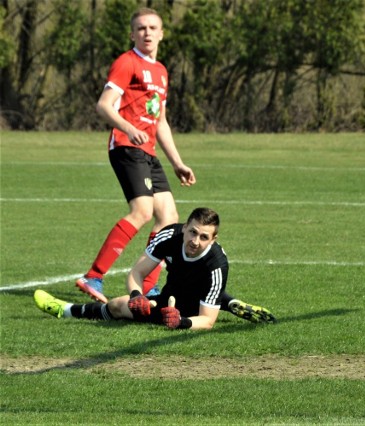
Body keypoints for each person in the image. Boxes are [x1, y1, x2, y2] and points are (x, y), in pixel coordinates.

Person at [76, 7, 195, 304]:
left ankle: (149, 286)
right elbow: (104, 106)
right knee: (142, 211)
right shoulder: (126, 63)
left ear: (162, 34)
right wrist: (128, 128)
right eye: (141, 28)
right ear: (132, 34)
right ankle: (94, 276)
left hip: (149, 152)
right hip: (127, 146)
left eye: (153, 28)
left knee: (169, 218)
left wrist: (177, 162)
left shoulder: (162, 71)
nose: (147, 33)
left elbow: (161, 122)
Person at [35, 207, 276, 329]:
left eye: (204, 237)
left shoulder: (217, 263)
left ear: (213, 239)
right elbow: (137, 273)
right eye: (192, 232)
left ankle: (223, 300)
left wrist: (180, 322)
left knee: (118, 306)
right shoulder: (169, 235)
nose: (195, 240)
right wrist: (137, 296)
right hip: (172, 293)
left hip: (190, 307)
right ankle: (64, 310)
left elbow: (207, 321)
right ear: (184, 228)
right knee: (122, 303)